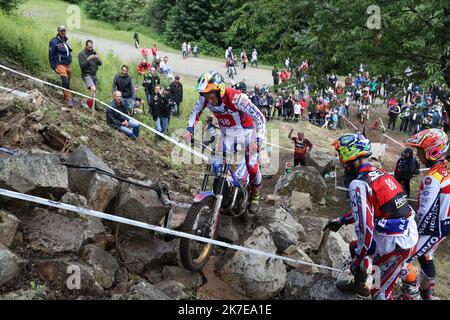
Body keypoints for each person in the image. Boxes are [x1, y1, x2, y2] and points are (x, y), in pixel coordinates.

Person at [323, 133, 418, 300]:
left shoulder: (358, 184)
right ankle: (360, 284)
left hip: (395, 243)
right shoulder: (379, 173)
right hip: (404, 233)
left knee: (378, 291)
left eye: (340, 154)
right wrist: (342, 220)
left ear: (349, 154)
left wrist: (357, 259)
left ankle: (373, 286)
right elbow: (373, 209)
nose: (339, 159)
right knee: (354, 248)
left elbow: (365, 228)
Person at [183, 71, 265, 215]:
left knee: (251, 166)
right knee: (216, 166)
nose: (208, 99)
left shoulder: (237, 98)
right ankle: (227, 192)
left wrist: (257, 141)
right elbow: (195, 112)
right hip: (227, 135)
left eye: (210, 95)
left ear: (219, 90)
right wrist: (189, 129)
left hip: (247, 134)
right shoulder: (205, 99)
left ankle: (255, 195)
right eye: (205, 95)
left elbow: (259, 118)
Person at [400, 129, 450, 300]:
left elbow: (425, 212)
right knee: (425, 256)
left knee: (401, 259)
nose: (418, 155)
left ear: (432, 151)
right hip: (443, 226)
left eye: (420, 150)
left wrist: (412, 232)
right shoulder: (445, 169)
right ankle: (426, 294)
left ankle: (412, 295)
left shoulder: (432, 178)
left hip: (433, 229)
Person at [49, 25, 76, 107]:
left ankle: (66, 97)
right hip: (60, 64)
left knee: (68, 82)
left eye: (64, 31)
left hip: (68, 64)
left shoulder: (66, 40)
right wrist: (54, 67)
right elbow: (51, 56)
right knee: (65, 81)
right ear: (58, 31)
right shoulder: (53, 42)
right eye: (61, 31)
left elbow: (69, 51)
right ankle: (69, 99)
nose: (63, 32)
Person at [78, 39, 102, 110]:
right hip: (86, 74)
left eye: (92, 47)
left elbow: (100, 63)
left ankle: (94, 105)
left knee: (94, 92)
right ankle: (87, 103)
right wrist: (88, 59)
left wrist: (97, 58)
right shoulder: (81, 54)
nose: (91, 49)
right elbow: (82, 66)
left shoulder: (93, 52)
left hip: (94, 74)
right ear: (86, 46)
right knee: (93, 89)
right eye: (89, 47)